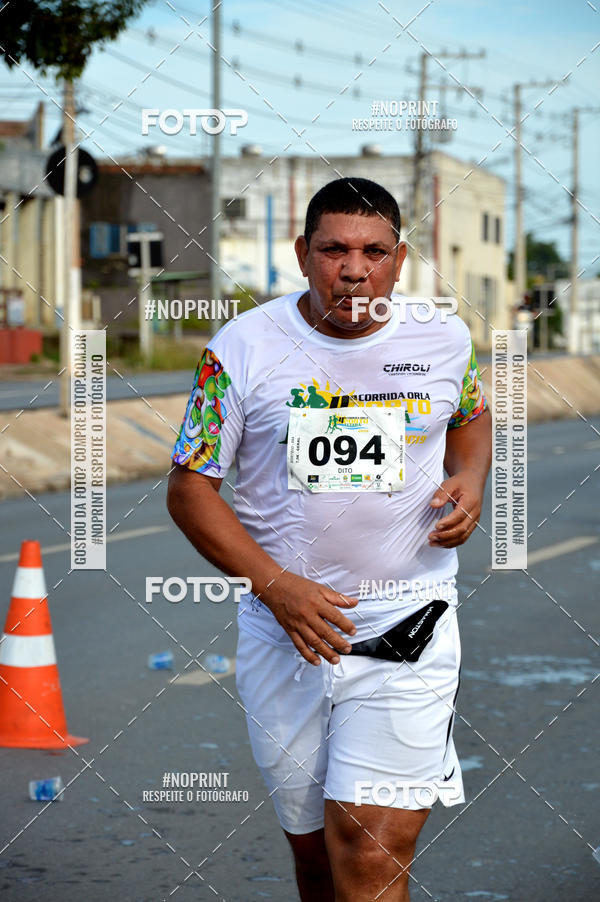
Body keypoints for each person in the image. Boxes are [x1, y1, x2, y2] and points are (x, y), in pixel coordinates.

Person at [167, 177, 492, 902]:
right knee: (317, 854)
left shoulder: (442, 339)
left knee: (370, 848)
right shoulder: (241, 349)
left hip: (410, 621)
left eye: (374, 251)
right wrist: (277, 588)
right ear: (300, 253)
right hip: (287, 631)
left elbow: (470, 416)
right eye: (334, 249)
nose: (354, 269)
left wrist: (469, 477)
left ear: (401, 259)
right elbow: (189, 488)